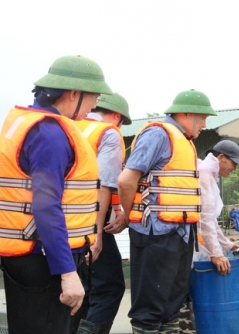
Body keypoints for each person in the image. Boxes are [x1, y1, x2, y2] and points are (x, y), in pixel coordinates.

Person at [0, 55, 112, 333]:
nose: (94, 106)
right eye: (93, 98)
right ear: (73, 94)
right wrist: (67, 272)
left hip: (27, 253)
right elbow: (47, 207)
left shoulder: (24, 121)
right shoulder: (49, 134)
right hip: (43, 258)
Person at [118, 89, 217, 334]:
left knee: (172, 304)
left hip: (181, 234)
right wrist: (130, 215)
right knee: (149, 308)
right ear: (186, 113)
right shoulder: (158, 134)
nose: (205, 124)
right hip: (155, 234)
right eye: (203, 118)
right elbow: (126, 181)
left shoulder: (185, 141)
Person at [72, 93, 132, 334]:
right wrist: (97, 233)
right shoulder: (106, 134)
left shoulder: (72, 126)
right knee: (110, 288)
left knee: (80, 289)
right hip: (92, 226)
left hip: (64, 223)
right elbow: (103, 184)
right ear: (117, 116)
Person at [194, 140, 239, 273]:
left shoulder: (208, 175)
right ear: (221, 157)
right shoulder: (203, 175)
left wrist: (226, 244)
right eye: (233, 163)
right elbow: (205, 220)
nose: (234, 168)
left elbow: (211, 219)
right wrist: (217, 254)